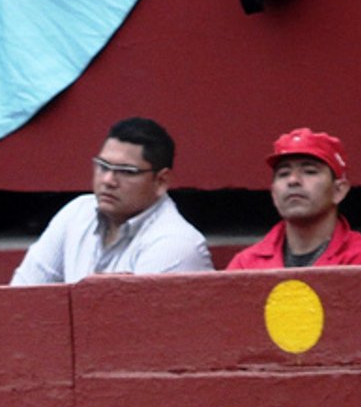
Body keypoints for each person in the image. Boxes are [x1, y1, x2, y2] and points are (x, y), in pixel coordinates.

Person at [11, 117, 212, 284]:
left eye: (126, 171)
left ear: (161, 181)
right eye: (103, 166)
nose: (108, 180)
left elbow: (136, 328)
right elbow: (23, 296)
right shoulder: (76, 212)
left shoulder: (175, 243)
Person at [226, 128, 361, 270]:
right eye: (283, 173)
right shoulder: (246, 265)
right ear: (273, 194)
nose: (293, 180)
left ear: (339, 190)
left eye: (309, 171)